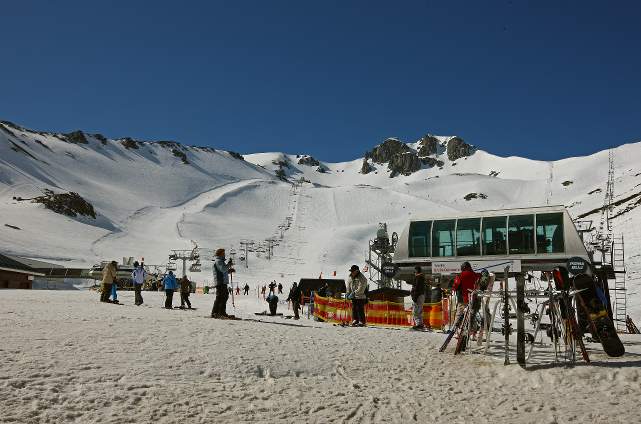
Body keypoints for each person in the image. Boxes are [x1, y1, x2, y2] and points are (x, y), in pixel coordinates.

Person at [211, 248, 233, 318]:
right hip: (220, 282)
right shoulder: (219, 261)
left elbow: (223, 271)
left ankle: (220, 312)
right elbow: (223, 269)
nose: (224, 254)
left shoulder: (220, 261)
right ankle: (217, 312)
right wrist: (229, 265)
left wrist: (229, 271)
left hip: (222, 281)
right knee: (221, 297)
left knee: (223, 296)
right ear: (220, 254)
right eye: (223, 253)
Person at [410, 266, 427, 330]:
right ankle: (421, 324)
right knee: (420, 310)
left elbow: (416, 288)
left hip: (417, 296)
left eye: (414, 271)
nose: (414, 273)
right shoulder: (422, 278)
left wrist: (414, 297)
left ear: (416, 271)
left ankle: (418, 325)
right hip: (422, 295)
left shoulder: (418, 278)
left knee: (415, 311)